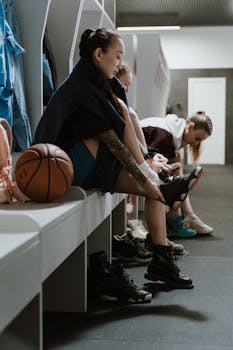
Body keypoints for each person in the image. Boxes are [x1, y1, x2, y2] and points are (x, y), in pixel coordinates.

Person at [33, 28, 202, 303]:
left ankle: (161, 261)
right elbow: (112, 140)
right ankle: (160, 186)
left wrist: (147, 169)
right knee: (149, 178)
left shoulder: (99, 81)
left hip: (83, 163)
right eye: (118, 57)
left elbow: (122, 125)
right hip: (58, 168)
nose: (120, 64)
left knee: (155, 185)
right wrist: (144, 174)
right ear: (99, 55)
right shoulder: (83, 86)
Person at [141, 111, 213, 237]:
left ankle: (180, 217)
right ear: (190, 126)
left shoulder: (171, 132)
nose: (196, 143)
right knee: (176, 167)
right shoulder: (165, 136)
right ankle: (179, 218)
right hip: (125, 161)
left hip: (139, 159)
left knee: (177, 161)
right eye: (197, 138)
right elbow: (149, 162)